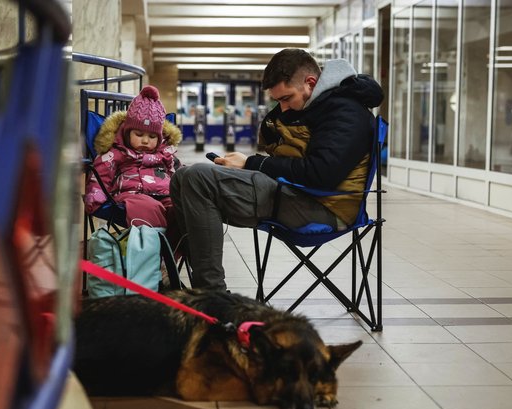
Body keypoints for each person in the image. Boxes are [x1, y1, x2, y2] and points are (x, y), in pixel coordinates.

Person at [170, 48, 384, 291]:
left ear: (310, 83)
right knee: (181, 178)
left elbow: (322, 174)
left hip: (323, 206)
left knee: (198, 178)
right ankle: (185, 280)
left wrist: (252, 163)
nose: (283, 108)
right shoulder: (321, 106)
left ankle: (211, 298)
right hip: (297, 194)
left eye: (286, 98)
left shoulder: (345, 111)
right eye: (278, 101)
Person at [84, 85, 182, 230]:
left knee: (181, 210)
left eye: (152, 136)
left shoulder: (165, 153)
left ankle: (173, 247)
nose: (145, 140)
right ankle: (160, 244)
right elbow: (100, 173)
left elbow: (177, 172)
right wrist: (95, 197)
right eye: (139, 134)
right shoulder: (116, 152)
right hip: (131, 195)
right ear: (127, 132)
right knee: (148, 207)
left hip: (164, 194)